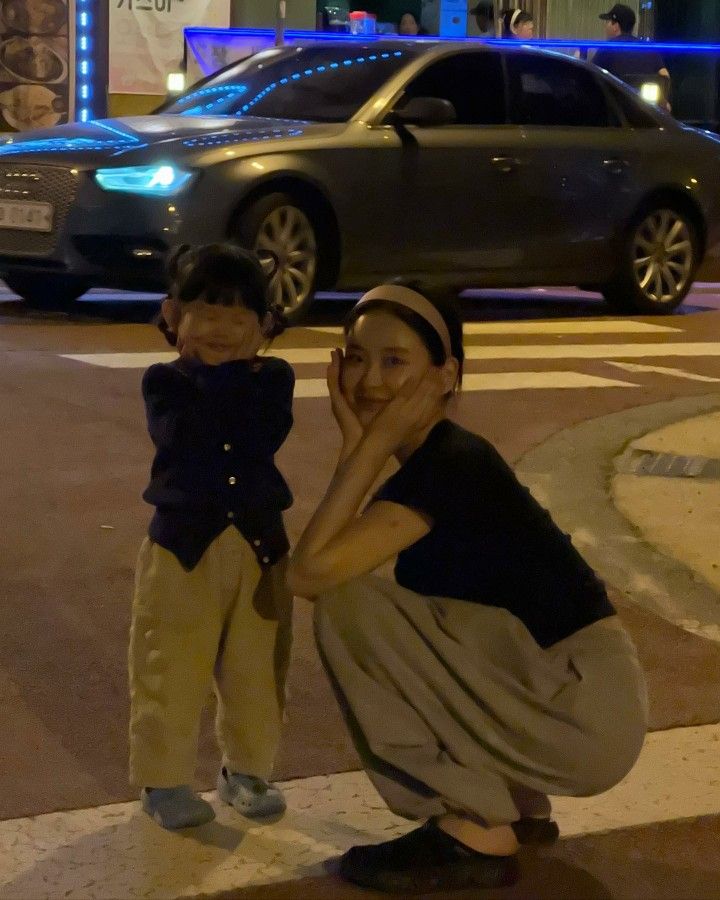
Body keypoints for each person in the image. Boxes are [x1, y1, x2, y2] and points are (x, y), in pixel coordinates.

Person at [287, 284, 648, 893]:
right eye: (354, 357)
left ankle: (474, 824)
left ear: (446, 374)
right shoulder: (444, 462)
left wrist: (369, 446)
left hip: (581, 707)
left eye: (394, 360)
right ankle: (512, 799)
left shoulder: (453, 465)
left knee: (349, 609)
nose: (368, 379)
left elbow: (309, 575)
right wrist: (363, 448)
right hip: (577, 703)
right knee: (388, 609)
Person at [129, 243, 294, 830]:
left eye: (238, 315)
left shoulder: (273, 379)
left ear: (264, 326)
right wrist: (213, 373)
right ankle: (164, 779)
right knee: (169, 661)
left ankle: (246, 770)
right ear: (174, 317)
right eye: (206, 312)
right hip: (181, 546)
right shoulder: (164, 382)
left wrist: (226, 374)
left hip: (260, 545)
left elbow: (260, 434)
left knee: (258, 667)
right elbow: (184, 437)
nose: (222, 327)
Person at [593, 4, 671, 92]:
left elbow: (591, 76)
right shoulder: (646, 47)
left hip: (615, 103)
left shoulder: (608, 47)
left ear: (615, 26)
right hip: (643, 104)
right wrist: (663, 101)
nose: (605, 26)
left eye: (608, 22)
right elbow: (665, 76)